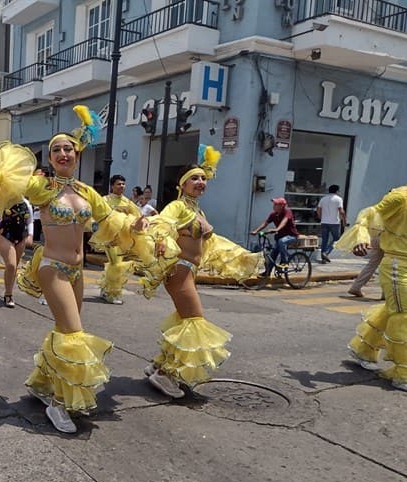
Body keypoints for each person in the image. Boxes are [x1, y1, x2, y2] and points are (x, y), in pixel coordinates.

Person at [0, 105, 152, 434]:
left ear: (77, 153)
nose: (63, 153)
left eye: (68, 148)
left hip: (78, 273)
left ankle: (43, 383)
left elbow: (112, 222)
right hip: (52, 267)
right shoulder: (44, 188)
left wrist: (137, 225)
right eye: (56, 150)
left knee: (64, 331)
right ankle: (59, 403)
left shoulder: (87, 192)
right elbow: (9, 185)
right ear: (50, 158)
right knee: (73, 335)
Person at [139, 145, 261, 398]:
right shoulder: (178, 207)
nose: (200, 182)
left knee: (185, 322)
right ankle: (164, 376)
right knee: (195, 323)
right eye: (194, 178)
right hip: (179, 271)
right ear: (182, 185)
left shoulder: (197, 210)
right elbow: (162, 223)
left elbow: (208, 243)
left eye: (203, 178)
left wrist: (238, 258)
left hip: (189, 272)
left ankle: (158, 366)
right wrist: (161, 240)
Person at [334, 188, 407, 391]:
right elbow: (370, 214)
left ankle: (364, 350)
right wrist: (361, 237)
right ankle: (404, 373)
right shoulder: (400, 197)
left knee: (392, 310)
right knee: (403, 315)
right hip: (398, 266)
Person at [98, 174, 142, 305]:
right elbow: (97, 215)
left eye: (123, 184)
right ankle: (112, 293)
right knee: (116, 263)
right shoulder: (105, 200)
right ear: (112, 186)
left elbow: (137, 217)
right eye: (118, 184)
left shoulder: (128, 202)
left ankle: (105, 289)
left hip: (123, 238)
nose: (121, 186)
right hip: (109, 237)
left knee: (115, 263)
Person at [251, 197, 299, 276]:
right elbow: (265, 223)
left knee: (281, 241)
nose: (274, 206)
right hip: (280, 237)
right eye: (274, 204)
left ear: (282, 206)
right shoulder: (273, 214)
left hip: (291, 236)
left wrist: (277, 229)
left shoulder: (287, 212)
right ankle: (267, 273)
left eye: (276, 204)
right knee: (272, 255)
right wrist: (256, 231)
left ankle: (284, 262)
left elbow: (284, 221)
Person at [317, 184, 346, 263]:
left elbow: (318, 210)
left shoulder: (323, 199)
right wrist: (344, 221)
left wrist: (321, 218)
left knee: (324, 240)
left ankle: (323, 258)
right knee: (336, 239)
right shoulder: (338, 199)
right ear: (336, 191)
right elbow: (341, 211)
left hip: (324, 222)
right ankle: (326, 252)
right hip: (334, 222)